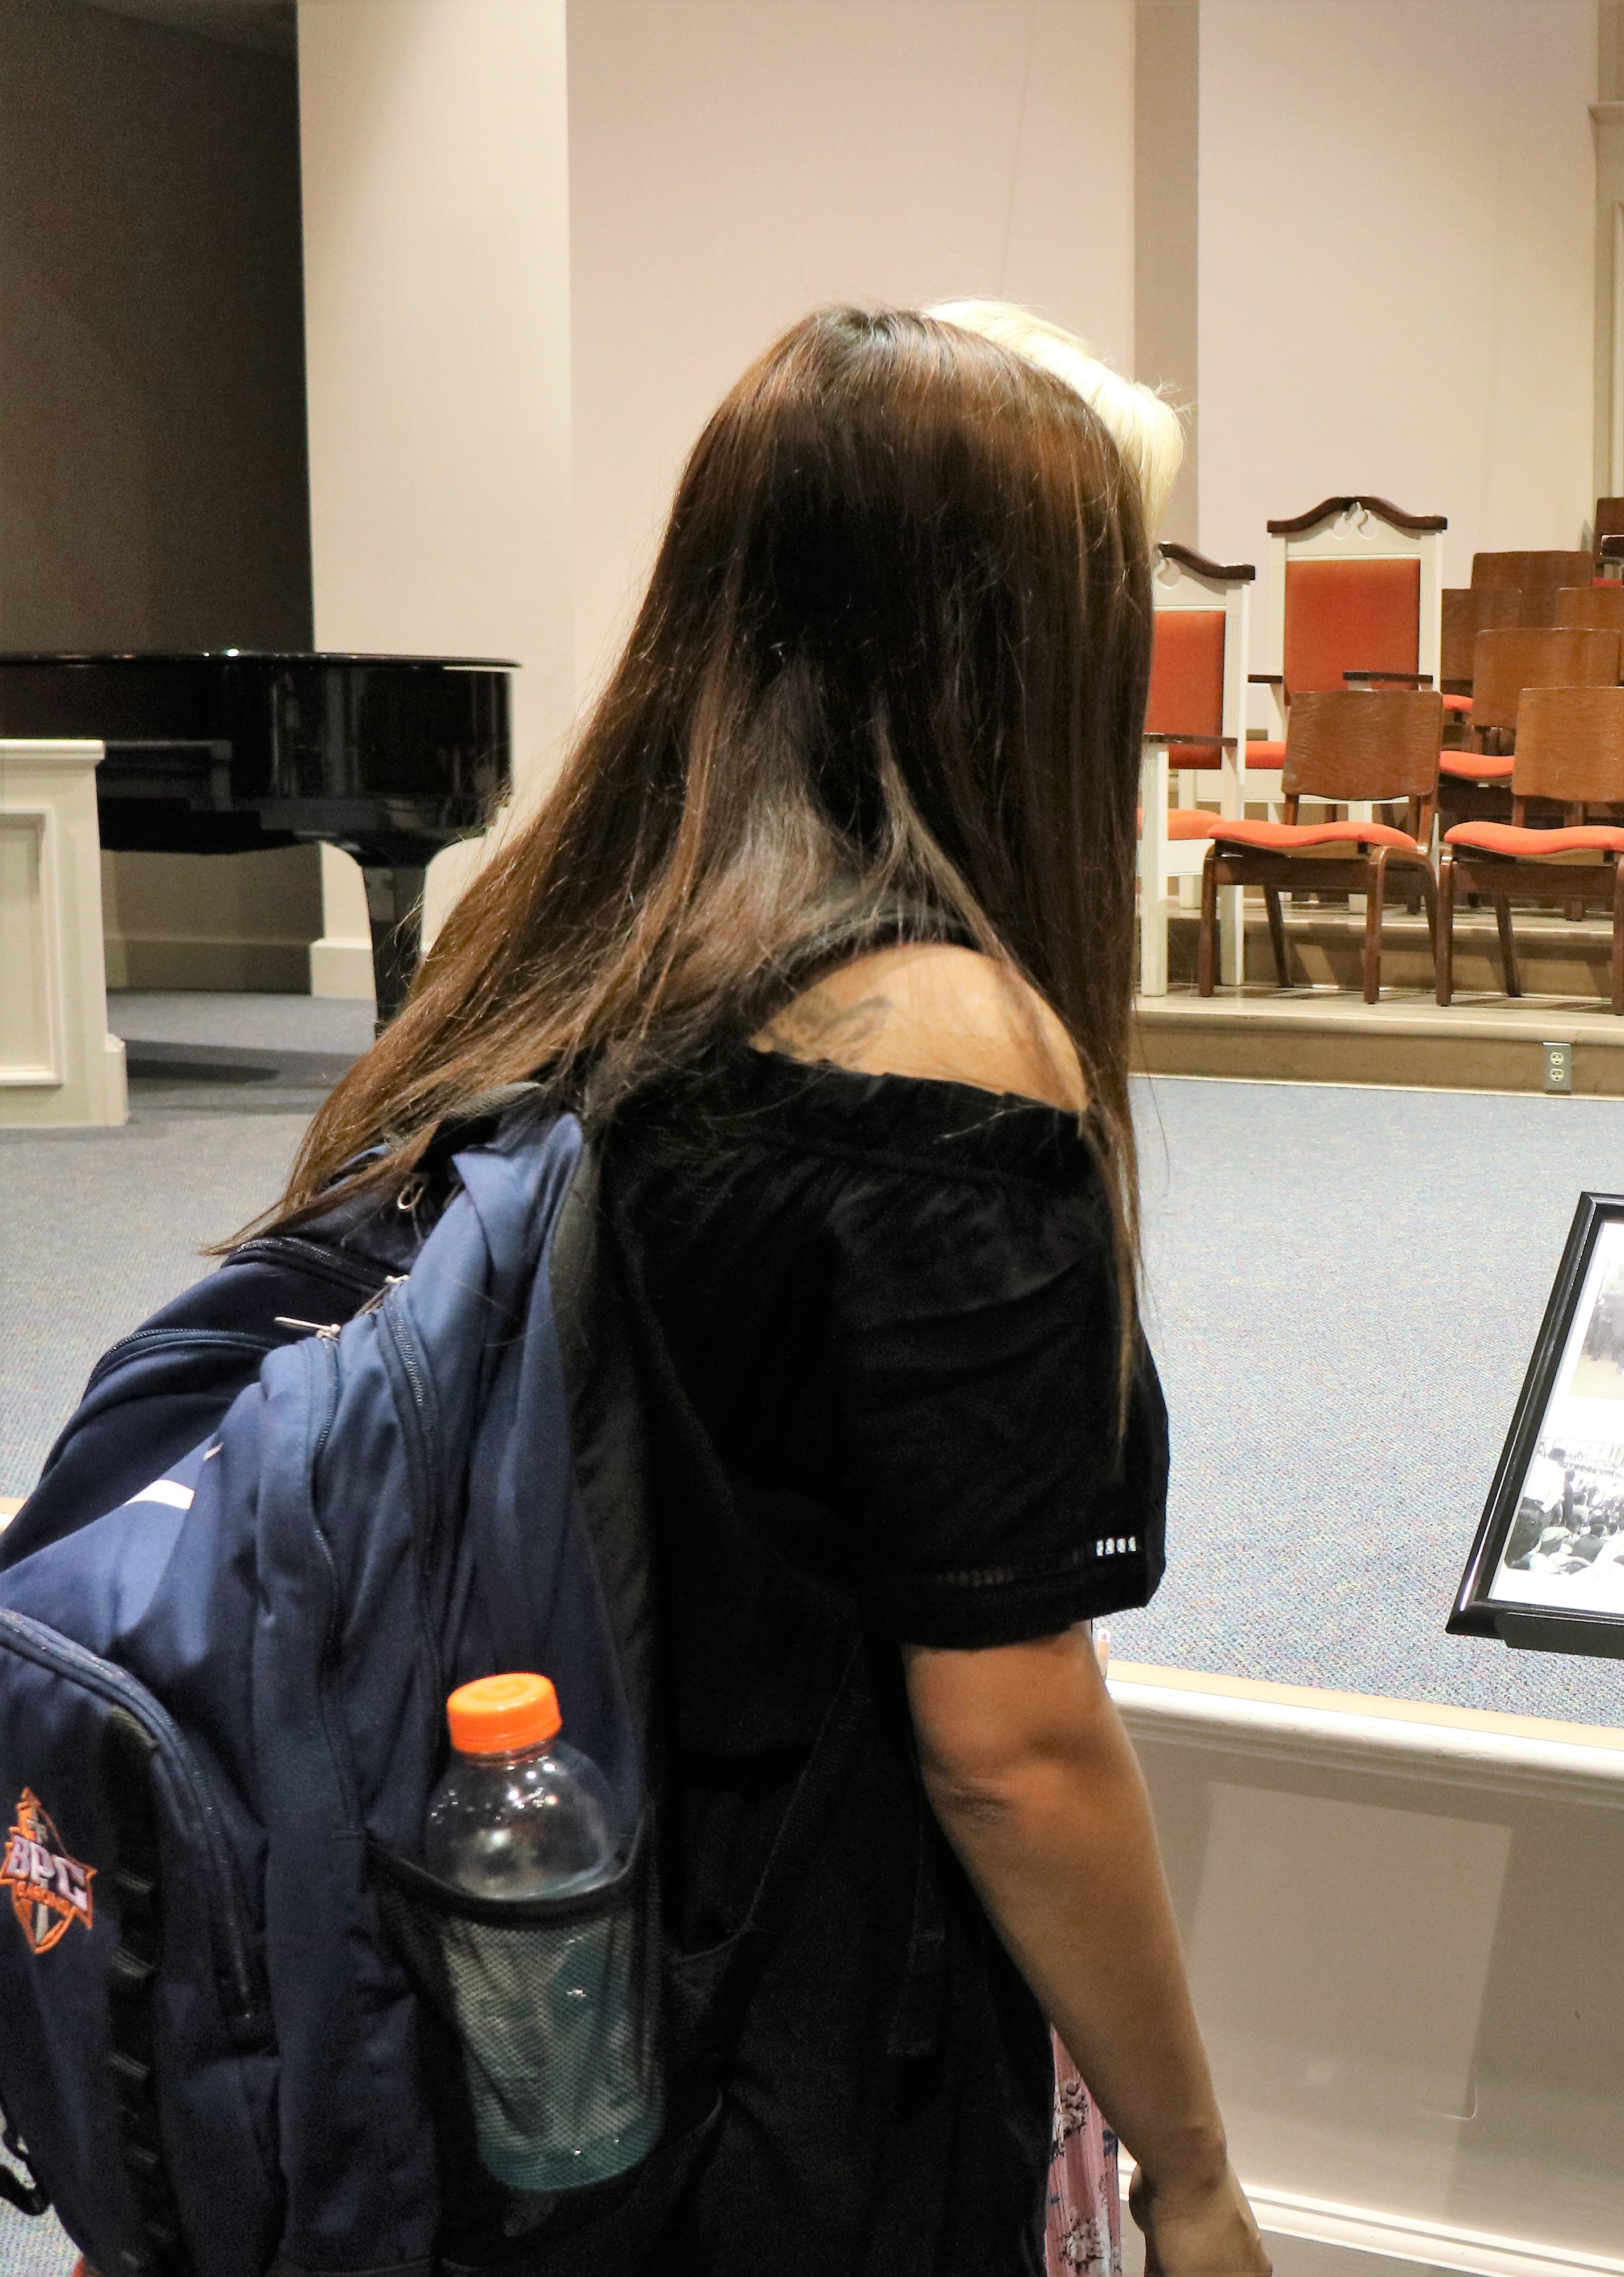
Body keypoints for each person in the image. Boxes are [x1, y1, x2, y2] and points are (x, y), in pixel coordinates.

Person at [246, 304, 1265, 2275]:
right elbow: (1007, 1739)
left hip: (491, 1924)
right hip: (772, 2034)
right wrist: (1195, 2170)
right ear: (1005, 635)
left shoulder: (550, 925)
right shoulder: (940, 1044)